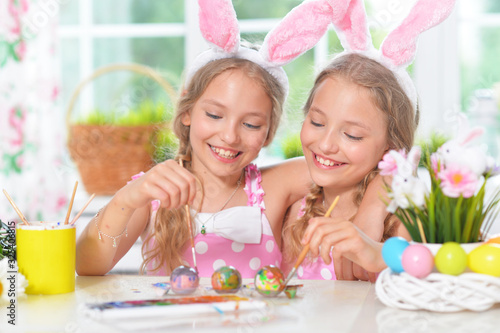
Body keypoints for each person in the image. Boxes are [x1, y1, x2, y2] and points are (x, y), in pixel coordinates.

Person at [282, 0, 456, 281]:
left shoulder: (402, 218)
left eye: (351, 135)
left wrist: (379, 254)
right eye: (316, 122)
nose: (326, 144)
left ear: (391, 147)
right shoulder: (292, 204)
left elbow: (452, 274)